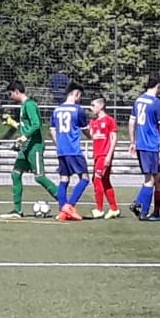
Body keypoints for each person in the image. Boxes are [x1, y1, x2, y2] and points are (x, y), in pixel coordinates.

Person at [0, 82, 60, 220]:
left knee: (39, 177)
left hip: (34, 146)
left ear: (16, 91)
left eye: (10, 94)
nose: (10, 97)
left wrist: (24, 136)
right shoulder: (24, 106)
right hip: (26, 147)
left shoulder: (30, 104)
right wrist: (12, 123)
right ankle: (17, 210)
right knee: (15, 174)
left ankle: (65, 204)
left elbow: (37, 124)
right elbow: (26, 126)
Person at [128, 74, 160, 221]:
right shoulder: (157, 103)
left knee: (154, 177)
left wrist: (132, 142)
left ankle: (139, 204)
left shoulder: (138, 100)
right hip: (151, 145)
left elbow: (131, 122)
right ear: (159, 85)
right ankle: (142, 210)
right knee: (151, 179)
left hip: (141, 144)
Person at [50, 84, 91, 221]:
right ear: (76, 94)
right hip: (74, 150)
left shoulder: (56, 110)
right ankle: (69, 206)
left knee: (64, 179)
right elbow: (85, 130)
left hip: (61, 150)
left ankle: (62, 212)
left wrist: (59, 145)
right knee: (85, 178)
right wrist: (92, 137)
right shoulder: (78, 110)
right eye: (80, 95)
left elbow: (52, 130)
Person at [88, 97, 121, 219]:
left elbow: (114, 139)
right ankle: (114, 209)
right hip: (97, 155)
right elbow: (90, 136)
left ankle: (99, 209)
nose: (91, 108)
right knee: (104, 181)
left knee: (97, 179)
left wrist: (109, 156)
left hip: (104, 155)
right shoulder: (93, 122)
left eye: (93, 105)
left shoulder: (109, 120)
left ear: (101, 106)